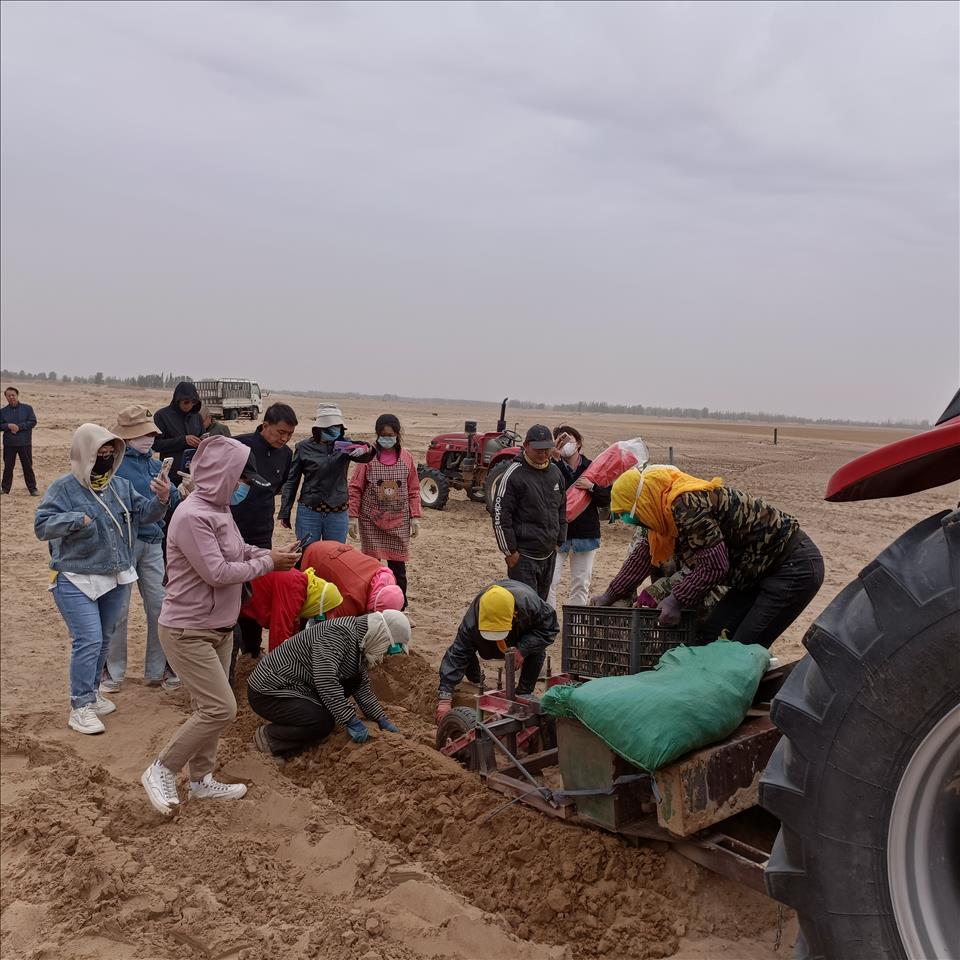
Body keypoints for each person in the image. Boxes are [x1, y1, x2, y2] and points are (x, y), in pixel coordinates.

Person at [140, 436, 301, 816]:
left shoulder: (220, 509)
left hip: (219, 627)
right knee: (220, 708)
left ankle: (200, 781)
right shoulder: (193, 516)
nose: (242, 486)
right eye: (239, 479)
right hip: (187, 630)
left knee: (207, 706)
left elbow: (240, 551)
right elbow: (217, 572)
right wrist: (268, 565)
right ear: (221, 476)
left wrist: (269, 553)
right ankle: (162, 768)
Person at [593, 465, 824, 648]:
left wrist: (675, 600)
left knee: (741, 647)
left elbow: (714, 565)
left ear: (640, 500)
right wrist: (609, 595)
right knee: (710, 637)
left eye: (628, 514)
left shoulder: (685, 503)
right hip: (752, 574)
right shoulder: (658, 513)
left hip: (791, 566)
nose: (629, 521)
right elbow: (642, 557)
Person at [35, 423, 170, 734]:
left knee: (103, 640)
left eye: (111, 454)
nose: (106, 460)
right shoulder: (64, 488)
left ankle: (92, 695)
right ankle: (80, 706)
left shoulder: (119, 487)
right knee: (88, 640)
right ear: (84, 455)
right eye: (100, 454)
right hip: (75, 577)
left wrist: (161, 500)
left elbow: (144, 514)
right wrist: (75, 520)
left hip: (116, 574)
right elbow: (42, 526)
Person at [248, 610, 411, 759]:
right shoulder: (338, 634)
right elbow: (325, 679)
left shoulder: (361, 642)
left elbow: (360, 686)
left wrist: (381, 718)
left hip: (301, 686)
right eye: (389, 648)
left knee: (349, 684)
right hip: (270, 690)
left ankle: (304, 716)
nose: (385, 654)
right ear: (383, 635)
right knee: (321, 722)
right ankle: (270, 737)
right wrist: (350, 720)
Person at [101, 404, 180, 693]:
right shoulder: (115, 466)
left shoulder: (156, 464)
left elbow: (169, 500)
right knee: (118, 609)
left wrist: (169, 492)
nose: (148, 438)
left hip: (152, 543)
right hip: (123, 545)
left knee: (160, 606)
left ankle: (158, 669)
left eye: (150, 433)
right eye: (142, 433)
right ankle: (113, 672)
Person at [435, 579, 559, 723]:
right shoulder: (473, 620)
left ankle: (524, 691)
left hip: (521, 628)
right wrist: (445, 697)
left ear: (514, 614)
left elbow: (549, 628)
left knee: (536, 647)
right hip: (486, 630)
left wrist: (523, 650)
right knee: (466, 648)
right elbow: (458, 653)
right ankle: (475, 679)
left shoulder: (530, 606)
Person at [231, 403, 299, 661]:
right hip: (233, 525)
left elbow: (276, 487)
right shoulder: (240, 446)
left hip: (261, 529)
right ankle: (231, 646)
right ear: (265, 425)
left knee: (256, 588)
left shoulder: (286, 454)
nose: (284, 438)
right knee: (232, 585)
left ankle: (251, 647)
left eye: (289, 434)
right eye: (280, 432)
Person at [348, 414, 421, 609]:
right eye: (382, 434)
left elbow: (413, 489)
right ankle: (371, 605)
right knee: (372, 569)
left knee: (398, 570)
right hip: (371, 521)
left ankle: (400, 607)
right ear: (377, 434)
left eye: (390, 434)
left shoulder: (407, 458)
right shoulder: (368, 457)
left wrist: (415, 517)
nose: (386, 438)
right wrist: (353, 517)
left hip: (399, 521)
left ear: (397, 435)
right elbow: (356, 487)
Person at [278, 403, 375, 545]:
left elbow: (365, 455)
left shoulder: (345, 445)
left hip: (338, 512)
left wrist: (367, 449)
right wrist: (285, 511)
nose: (334, 431)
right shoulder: (303, 447)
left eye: (337, 427)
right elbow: (292, 481)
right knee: (308, 552)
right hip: (309, 511)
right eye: (329, 428)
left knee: (334, 556)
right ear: (319, 429)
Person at [491, 424, 566, 601]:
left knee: (541, 604)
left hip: (549, 554)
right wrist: (510, 552)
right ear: (526, 446)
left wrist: (559, 541)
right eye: (538, 450)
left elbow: (562, 508)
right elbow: (500, 515)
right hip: (523, 556)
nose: (543, 454)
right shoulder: (513, 475)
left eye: (547, 449)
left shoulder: (556, 473)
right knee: (525, 606)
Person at [548, 424, 610, 609]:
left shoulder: (592, 468)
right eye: (561, 440)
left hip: (586, 534)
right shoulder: (551, 468)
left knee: (581, 583)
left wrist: (592, 487)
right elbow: (549, 493)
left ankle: (575, 624)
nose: (565, 444)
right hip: (558, 534)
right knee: (550, 580)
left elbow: (606, 499)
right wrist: (556, 461)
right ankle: (548, 623)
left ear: (579, 443)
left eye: (569, 440)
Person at [239, 567, 344, 651]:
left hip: (245, 597)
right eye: (328, 610)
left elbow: (292, 627)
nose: (328, 614)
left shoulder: (304, 587)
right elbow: (279, 634)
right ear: (321, 603)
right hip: (235, 597)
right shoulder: (294, 589)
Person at [300, 539, 405, 616]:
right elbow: (331, 626)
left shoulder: (386, 576)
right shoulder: (350, 598)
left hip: (330, 545)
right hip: (313, 556)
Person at [153, 381, 203, 479]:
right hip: (171, 474)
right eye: (186, 402)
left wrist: (203, 441)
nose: (189, 405)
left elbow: (202, 436)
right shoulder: (162, 416)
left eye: (193, 402)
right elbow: (156, 445)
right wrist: (183, 440)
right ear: (177, 399)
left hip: (194, 472)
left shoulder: (197, 417)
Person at [2, 386, 38, 496]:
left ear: (17, 395)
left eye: (13, 395)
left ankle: (33, 489)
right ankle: (4, 489)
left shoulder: (27, 408)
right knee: (8, 467)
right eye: (9, 395)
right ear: (6, 398)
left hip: (24, 443)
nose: (11, 397)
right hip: (9, 444)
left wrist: (19, 427)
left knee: (27, 467)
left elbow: (33, 421)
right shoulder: (2, 412)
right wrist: (8, 426)